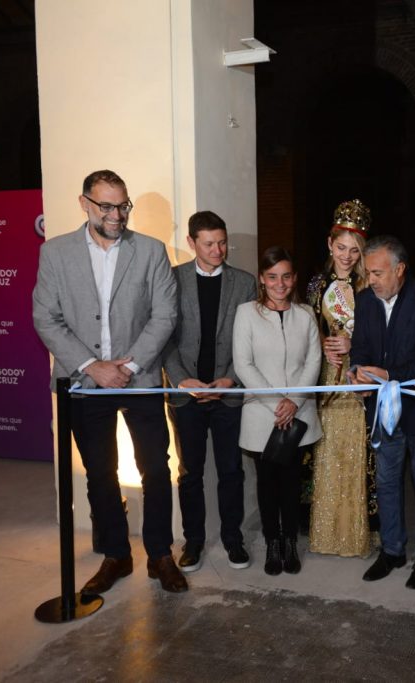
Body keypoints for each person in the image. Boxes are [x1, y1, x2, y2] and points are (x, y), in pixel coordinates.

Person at [32, 169, 185, 593]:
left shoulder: (151, 251)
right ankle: (116, 555)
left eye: (123, 206)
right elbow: (46, 317)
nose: (117, 215)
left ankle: (160, 555)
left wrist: (128, 367)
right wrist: (92, 366)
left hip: (141, 378)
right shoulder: (55, 253)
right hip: (83, 382)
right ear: (84, 203)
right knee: (100, 471)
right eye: (107, 206)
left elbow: (165, 315)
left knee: (156, 468)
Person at [163, 210, 257, 573]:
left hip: (227, 395)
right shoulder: (172, 279)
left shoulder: (244, 283)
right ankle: (193, 542)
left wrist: (230, 379)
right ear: (191, 243)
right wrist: (181, 380)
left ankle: (233, 539)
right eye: (209, 244)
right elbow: (164, 337)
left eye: (222, 242)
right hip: (185, 396)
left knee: (232, 470)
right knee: (190, 473)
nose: (218, 250)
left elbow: (248, 341)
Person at [349, 235, 415, 589]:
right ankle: (392, 550)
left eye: (377, 273)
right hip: (381, 411)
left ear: (400, 269)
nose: (371, 280)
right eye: (368, 273)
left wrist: (389, 375)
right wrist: (356, 373)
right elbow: (360, 348)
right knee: (387, 482)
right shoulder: (364, 301)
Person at [233, 247, 322, 575]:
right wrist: (277, 403)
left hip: (299, 413)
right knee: (267, 483)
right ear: (262, 278)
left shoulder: (306, 314)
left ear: (294, 278)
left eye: (286, 276)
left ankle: (290, 542)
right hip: (262, 414)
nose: (279, 284)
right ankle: (273, 541)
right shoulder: (246, 313)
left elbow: (314, 361)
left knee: (292, 483)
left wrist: (293, 401)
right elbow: (243, 364)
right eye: (272, 277)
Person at [306, 199, 374, 557]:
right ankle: (326, 532)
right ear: (330, 244)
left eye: (355, 250)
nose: (347, 256)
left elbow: (380, 333)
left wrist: (354, 343)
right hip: (326, 375)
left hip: (357, 374)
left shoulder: (369, 284)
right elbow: (308, 328)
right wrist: (322, 345)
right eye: (342, 247)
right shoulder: (317, 284)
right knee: (327, 449)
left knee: (356, 450)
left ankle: (356, 533)